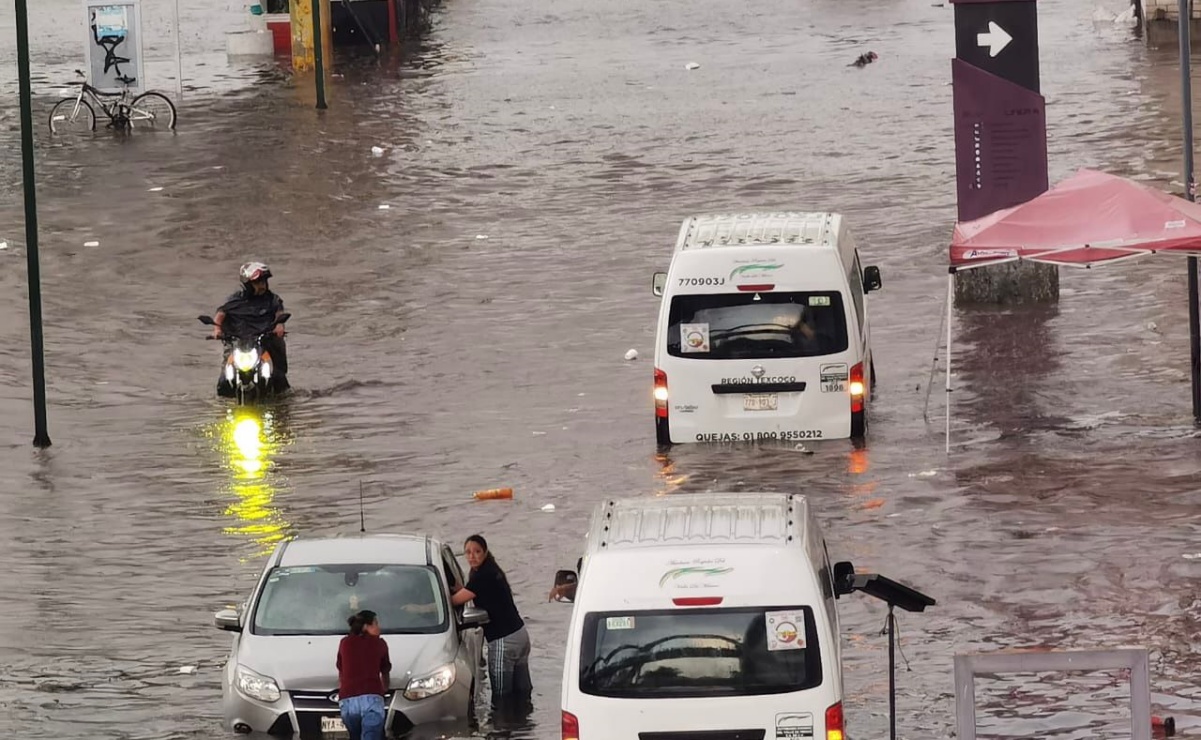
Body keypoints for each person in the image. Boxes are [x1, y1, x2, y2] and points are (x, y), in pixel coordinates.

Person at [451, 535, 532, 709]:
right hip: (521, 635)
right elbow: (470, 591)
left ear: (485, 552)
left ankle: (503, 731)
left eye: (477, 552)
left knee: (501, 698)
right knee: (523, 693)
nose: (472, 556)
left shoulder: (482, 576)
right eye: (468, 552)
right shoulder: (491, 571)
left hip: (504, 641)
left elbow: (454, 601)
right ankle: (524, 727)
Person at [211, 262, 289, 396]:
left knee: (278, 377)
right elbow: (220, 315)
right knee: (224, 381)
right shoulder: (234, 301)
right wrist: (217, 330)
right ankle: (223, 408)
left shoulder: (273, 300)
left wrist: (279, 326)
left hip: (264, 342)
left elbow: (279, 314)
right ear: (248, 284)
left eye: (264, 281)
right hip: (238, 343)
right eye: (258, 282)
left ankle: (283, 405)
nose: (262, 285)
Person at [336, 610, 391, 740]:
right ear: (366, 626)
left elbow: (341, 671)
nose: (379, 628)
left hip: (348, 702)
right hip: (372, 699)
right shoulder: (380, 643)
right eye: (376, 624)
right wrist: (385, 689)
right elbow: (385, 671)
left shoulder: (344, 643)